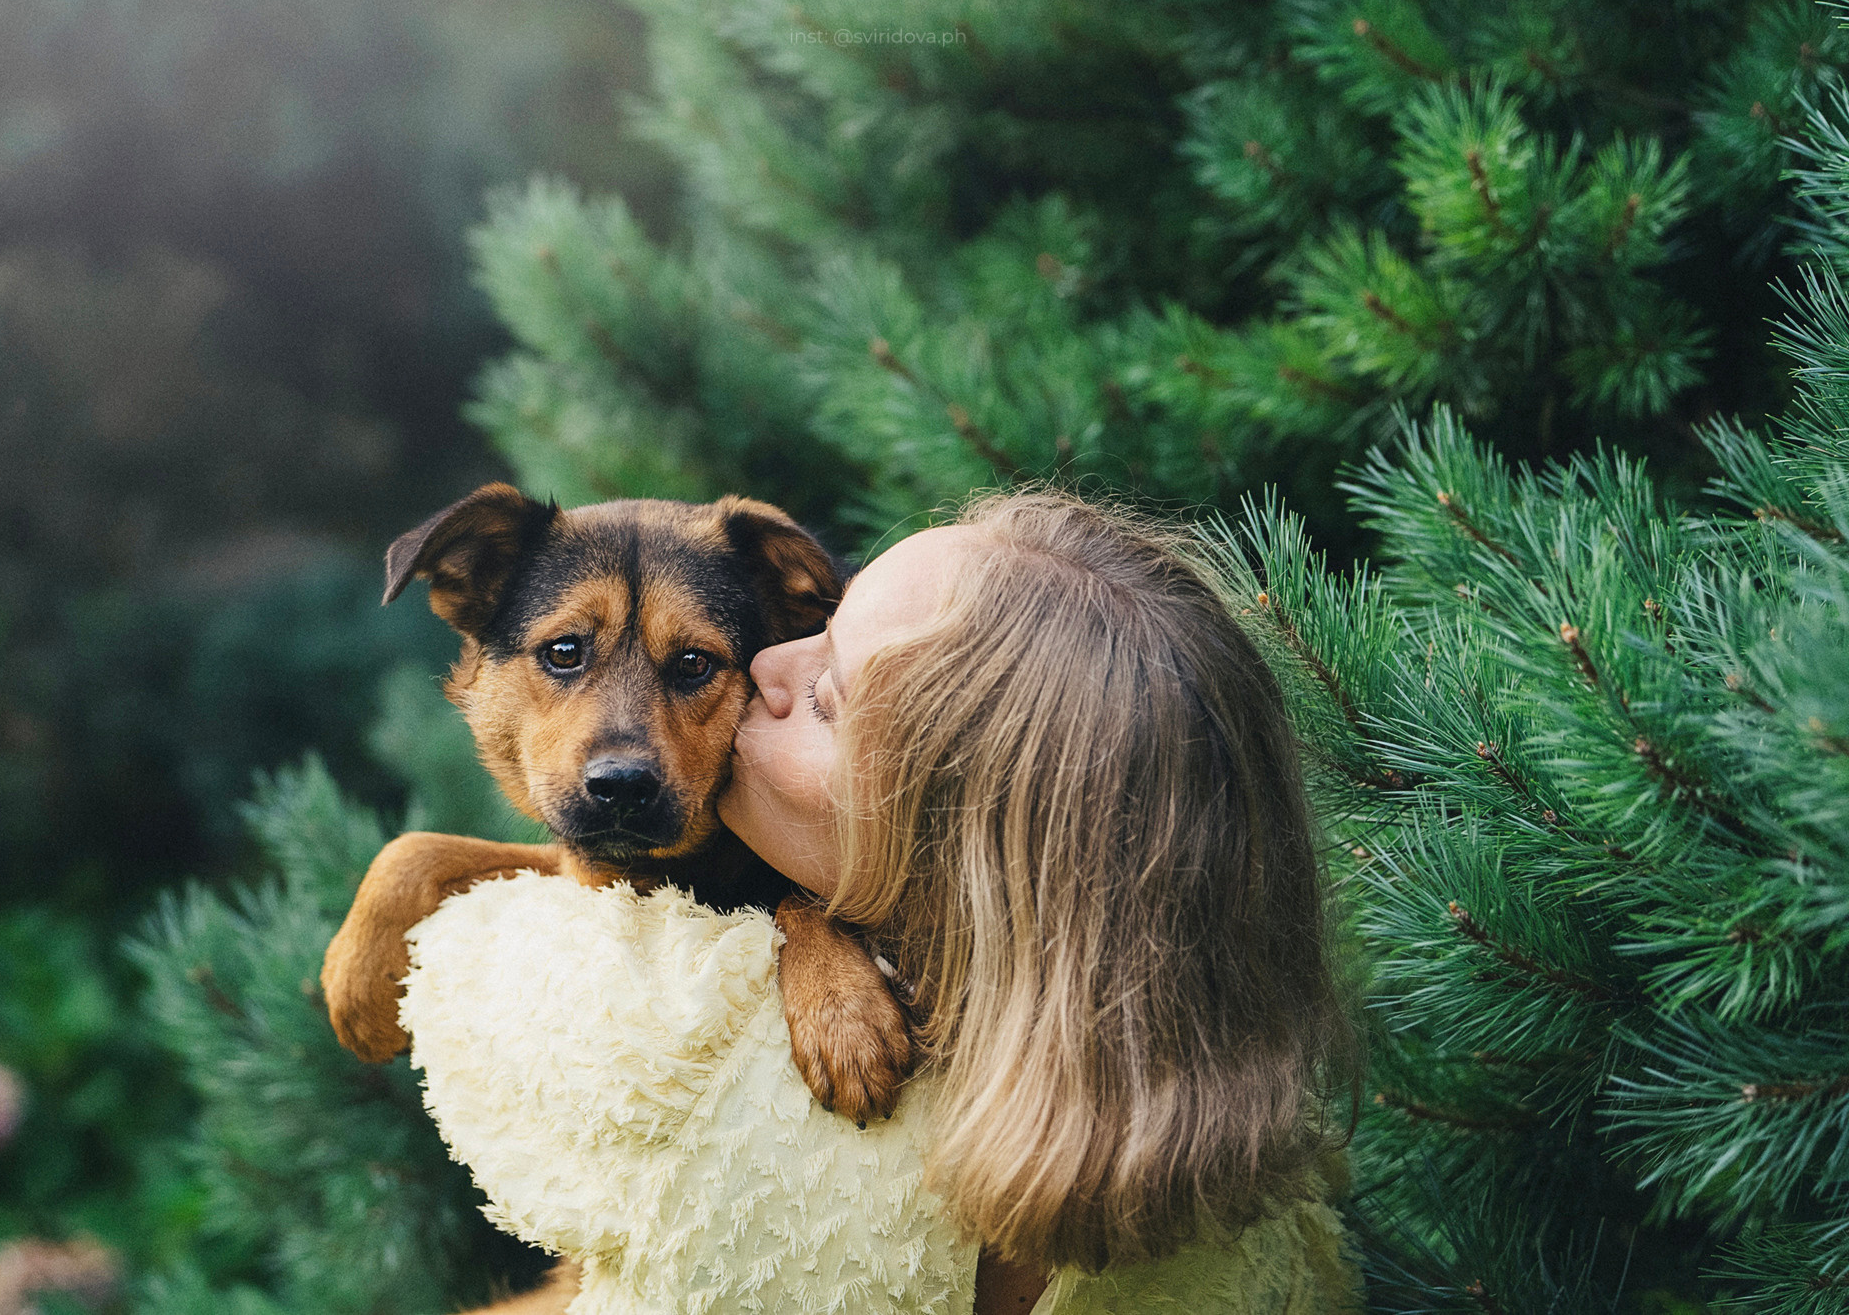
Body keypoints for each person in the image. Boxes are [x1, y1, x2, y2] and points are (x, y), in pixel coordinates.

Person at [399, 489, 1359, 1315]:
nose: (774, 665)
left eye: (830, 691)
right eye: (565, 652)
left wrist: (805, 926)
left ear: (956, 812)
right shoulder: (1272, 1223)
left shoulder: (673, 1053)